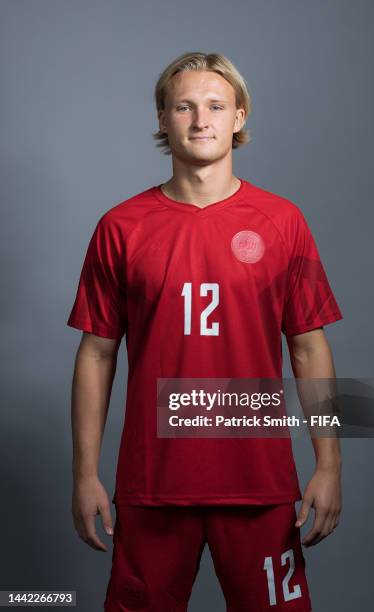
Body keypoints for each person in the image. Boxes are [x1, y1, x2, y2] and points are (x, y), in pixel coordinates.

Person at [67, 51, 343, 612]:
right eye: (184, 107)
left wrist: (330, 464)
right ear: (163, 119)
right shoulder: (120, 228)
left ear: (239, 117)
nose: (201, 120)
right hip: (153, 485)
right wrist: (85, 474)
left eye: (216, 106)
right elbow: (97, 355)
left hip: (259, 483)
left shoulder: (283, 221)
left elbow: (309, 348)